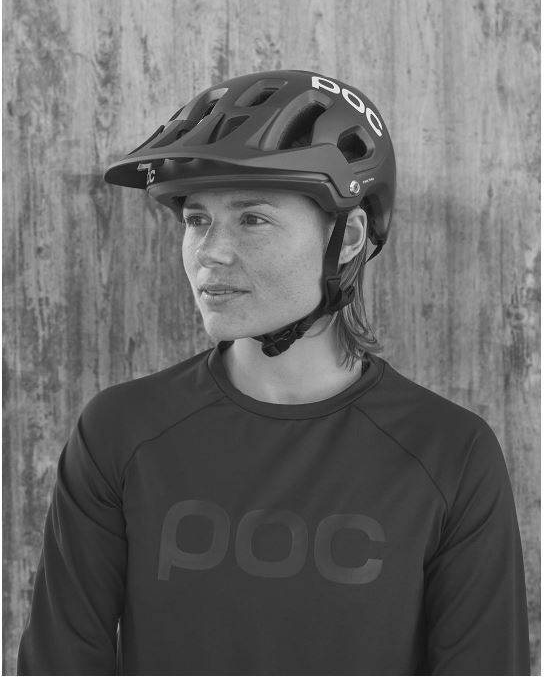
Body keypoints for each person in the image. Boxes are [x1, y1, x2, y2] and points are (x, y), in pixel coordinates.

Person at [17, 69, 531, 675]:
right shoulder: (119, 432)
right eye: (197, 220)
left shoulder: (450, 454)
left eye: (252, 219)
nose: (210, 252)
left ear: (348, 237)